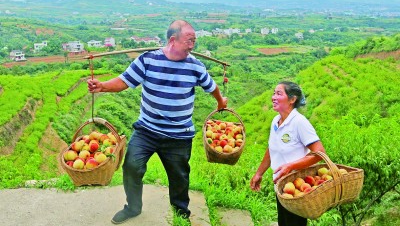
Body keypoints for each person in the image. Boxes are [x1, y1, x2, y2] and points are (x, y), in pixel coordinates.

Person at [87, 20, 228, 224]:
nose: (192, 45)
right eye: (189, 40)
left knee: (179, 177)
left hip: (179, 135)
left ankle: (181, 214)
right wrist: (102, 86)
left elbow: (212, 86)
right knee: (132, 167)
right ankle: (133, 208)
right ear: (173, 40)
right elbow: (124, 81)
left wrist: (220, 101)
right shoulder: (148, 60)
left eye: (194, 41)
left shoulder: (195, 66)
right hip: (147, 130)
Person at [249, 81, 326, 226]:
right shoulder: (276, 121)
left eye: (279, 93)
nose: (273, 97)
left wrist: (290, 166)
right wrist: (259, 173)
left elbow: (320, 152)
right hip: (281, 186)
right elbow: (273, 148)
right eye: (273, 93)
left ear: (292, 99)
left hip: (296, 187)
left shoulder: (299, 122)